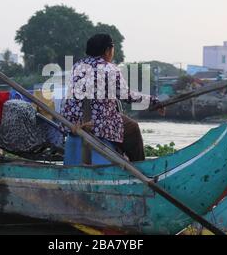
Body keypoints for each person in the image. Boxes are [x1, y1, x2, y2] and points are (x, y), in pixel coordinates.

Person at [61, 34, 165, 164]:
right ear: (107, 50)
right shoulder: (109, 68)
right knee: (132, 128)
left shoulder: (77, 66)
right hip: (95, 123)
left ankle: (119, 156)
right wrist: (153, 101)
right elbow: (126, 96)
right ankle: (140, 166)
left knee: (120, 120)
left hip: (72, 122)